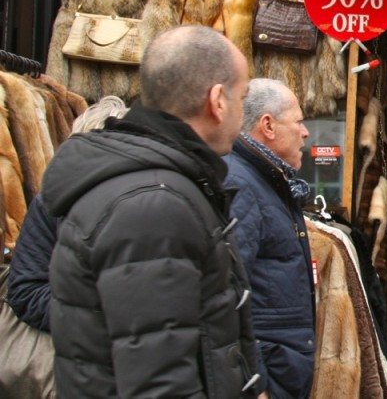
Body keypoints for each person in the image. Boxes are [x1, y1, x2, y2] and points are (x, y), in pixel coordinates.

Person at [41, 26, 263, 398]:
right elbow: (160, 381)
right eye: (242, 98)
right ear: (218, 101)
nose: (242, 113)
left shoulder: (156, 186)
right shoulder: (154, 203)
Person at [224, 78, 316, 399]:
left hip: (278, 364)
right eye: (299, 121)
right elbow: (226, 294)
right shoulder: (242, 184)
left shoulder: (266, 180)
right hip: (268, 371)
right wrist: (254, 382)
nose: (305, 133)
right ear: (268, 125)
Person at [7, 96, 129, 334]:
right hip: (68, 355)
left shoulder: (151, 201)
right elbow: (27, 291)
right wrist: (102, 316)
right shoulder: (52, 204)